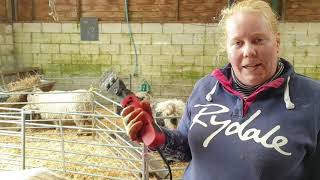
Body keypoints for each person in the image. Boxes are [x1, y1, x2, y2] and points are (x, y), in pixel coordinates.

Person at [121, 0, 320, 179]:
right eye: (238, 43)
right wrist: (156, 134)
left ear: (276, 43)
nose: (249, 51)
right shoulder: (206, 88)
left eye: (258, 40)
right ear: (227, 48)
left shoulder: (312, 98)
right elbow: (185, 150)